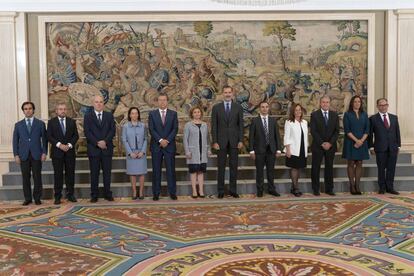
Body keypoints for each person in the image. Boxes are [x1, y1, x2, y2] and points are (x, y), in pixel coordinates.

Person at [211, 85, 244, 198]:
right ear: (222, 93)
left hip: (234, 141)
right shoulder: (216, 108)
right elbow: (214, 126)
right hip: (220, 142)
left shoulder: (238, 107)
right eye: (225, 92)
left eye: (229, 92)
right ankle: (220, 191)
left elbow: (241, 126)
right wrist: (214, 141)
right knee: (221, 167)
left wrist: (240, 140)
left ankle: (233, 190)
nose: (228, 94)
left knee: (234, 167)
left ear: (232, 93)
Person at [12, 102, 47, 205]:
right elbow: (15, 141)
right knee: (25, 177)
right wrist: (16, 155)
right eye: (26, 109)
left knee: (37, 177)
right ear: (23, 111)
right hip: (23, 155)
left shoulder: (40, 124)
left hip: (37, 154)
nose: (28, 110)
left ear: (33, 110)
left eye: (30, 108)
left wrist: (44, 152)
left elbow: (44, 140)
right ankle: (27, 198)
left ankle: (37, 198)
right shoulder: (18, 125)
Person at [83, 95, 116, 203]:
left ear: (103, 103)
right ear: (93, 103)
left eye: (101, 102)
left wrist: (104, 141)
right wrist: (97, 143)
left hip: (106, 148)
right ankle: (94, 195)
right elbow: (87, 132)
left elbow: (112, 131)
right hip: (94, 149)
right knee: (94, 173)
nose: (99, 104)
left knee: (107, 173)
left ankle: (108, 194)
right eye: (96, 102)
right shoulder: (88, 116)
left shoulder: (109, 115)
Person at [47, 103, 79, 204]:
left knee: (70, 174)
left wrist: (69, 145)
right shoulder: (51, 122)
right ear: (56, 111)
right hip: (57, 153)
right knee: (58, 175)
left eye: (64, 109)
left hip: (69, 152)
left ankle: (70, 195)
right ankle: (57, 196)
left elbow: (76, 136)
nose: (63, 111)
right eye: (60, 109)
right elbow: (49, 136)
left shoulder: (71, 122)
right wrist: (60, 145)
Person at [148, 93, 178, 201]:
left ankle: (172, 192)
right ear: (157, 102)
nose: (162, 102)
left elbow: (175, 129)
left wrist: (167, 140)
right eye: (160, 100)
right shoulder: (152, 114)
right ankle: (156, 193)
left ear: (167, 101)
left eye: (164, 100)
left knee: (171, 170)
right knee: (156, 171)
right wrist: (160, 140)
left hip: (169, 146)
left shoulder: (173, 114)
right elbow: (151, 129)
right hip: (156, 146)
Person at [249, 101, 282, 197]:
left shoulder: (273, 121)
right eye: (262, 107)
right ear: (260, 108)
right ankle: (260, 190)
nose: (264, 109)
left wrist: (279, 149)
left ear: (268, 108)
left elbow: (277, 136)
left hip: (271, 150)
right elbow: (251, 137)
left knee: (270, 171)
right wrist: (251, 150)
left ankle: (272, 189)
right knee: (259, 171)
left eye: (266, 107)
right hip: (259, 151)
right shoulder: (255, 121)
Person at [369, 98, 401, 195]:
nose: (383, 107)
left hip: (393, 147)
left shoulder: (394, 118)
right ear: (377, 106)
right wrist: (371, 147)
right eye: (381, 105)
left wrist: (398, 146)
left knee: (391, 168)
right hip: (380, 148)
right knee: (381, 168)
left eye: (385, 105)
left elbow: (397, 132)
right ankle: (382, 188)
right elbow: (370, 134)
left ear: (387, 105)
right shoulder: (373, 119)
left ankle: (390, 187)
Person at [310, 95, 340, 196]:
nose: (325, 104)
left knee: (329, 168)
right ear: (320, 103)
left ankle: (329, 189)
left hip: (330, 146)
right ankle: (315, 189)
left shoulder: (334, 115)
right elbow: (313, 131)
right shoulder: (314, 115)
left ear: (329, 103)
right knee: (315, 167)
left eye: (327, 102)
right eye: (323, 102)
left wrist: (330, 143)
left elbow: (337, 131)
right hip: (318, 146)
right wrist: (322, 143)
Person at [342, 96, 369, 195]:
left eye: (359, 102)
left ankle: (358, 185)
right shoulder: (347, 114)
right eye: (355, 102)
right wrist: (356, 141)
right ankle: (352, 185)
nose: (357, 103)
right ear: (352, 103)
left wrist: (361, 141)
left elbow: (367, 129)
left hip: (362, 142)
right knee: (351, 163)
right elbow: (347, 130)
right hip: (350, 142)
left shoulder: (364, 114)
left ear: (361, 103)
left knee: (359, 163)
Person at [183, 106, 210, 198]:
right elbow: (185, 139)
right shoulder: (188, 125)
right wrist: (187, 151)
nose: (197, 113)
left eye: (198, 112)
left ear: (201, 113)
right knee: (194, 172)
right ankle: (194, 191)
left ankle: (201, 191)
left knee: (201, 172)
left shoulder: (205, 125)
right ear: (192, 114)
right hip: (192, 152)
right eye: (195, 112)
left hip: (203, 152)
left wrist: (208, 150)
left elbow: (208, 138)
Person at [122, 107, 147, 200]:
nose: (134, 115)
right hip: (131, 153)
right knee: (132, 173)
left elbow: (145, 139)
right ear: (129, 115)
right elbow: (124, 140)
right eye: (132, 113)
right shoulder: (125, 126)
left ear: (138, 115)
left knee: (141, 173)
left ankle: (141, 192)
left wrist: (142, 151)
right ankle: (134, 191)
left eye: (136, 113)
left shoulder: (143, 125)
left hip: (141, 152)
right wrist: (130, 153)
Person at [283, 103, 309, 197]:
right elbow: (286, 136)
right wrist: (288, 149)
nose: (298, 111)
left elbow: (305, 137)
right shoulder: (289, 122)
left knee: (298, 168)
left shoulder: (304, 122)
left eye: (299, 109)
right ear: (293, 112)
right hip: (293, 149)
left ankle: (294, 187)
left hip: (302, 149)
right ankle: (295, 187)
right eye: (296, 110)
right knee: (294, 168)